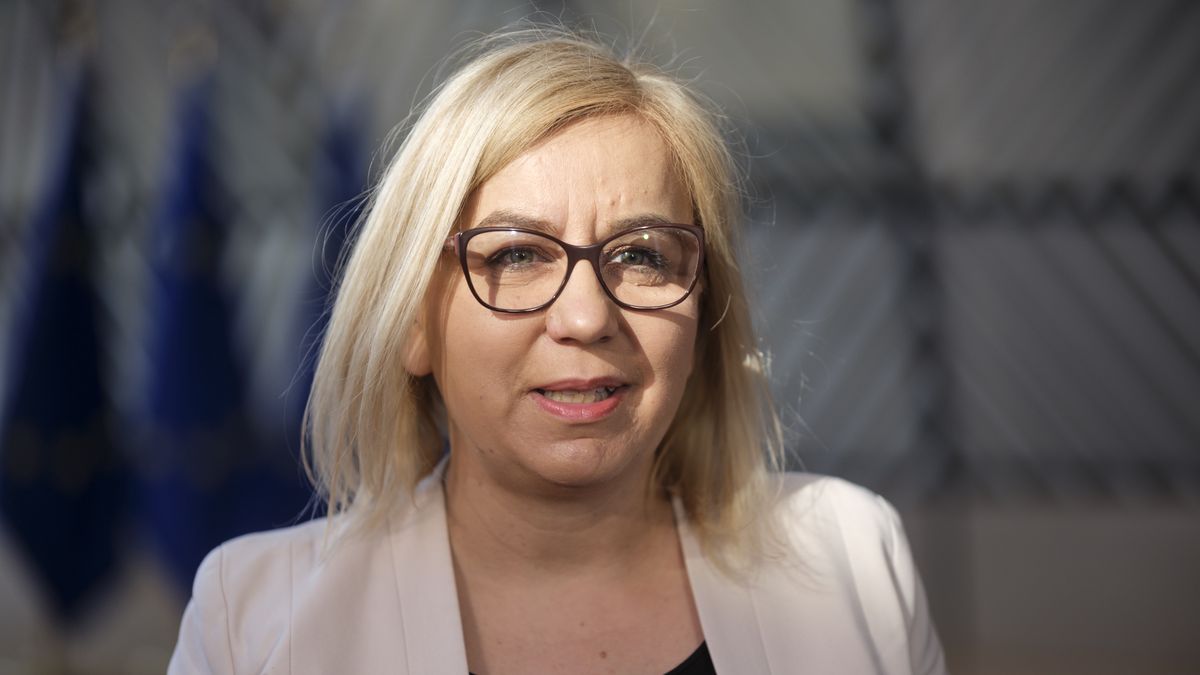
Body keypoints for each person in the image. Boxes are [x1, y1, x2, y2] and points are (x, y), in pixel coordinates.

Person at [168, 27, 946, 675]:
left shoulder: (855, 561)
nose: (585, 316)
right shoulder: (253, 623)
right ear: (412, 320)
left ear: (705, 306)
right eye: (514, 255)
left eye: (642, 255)